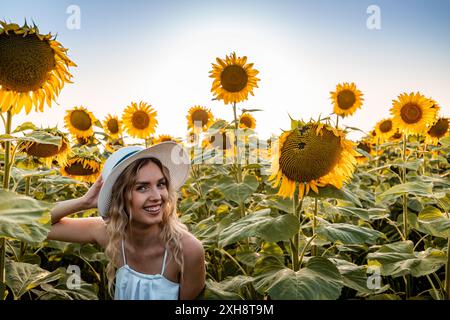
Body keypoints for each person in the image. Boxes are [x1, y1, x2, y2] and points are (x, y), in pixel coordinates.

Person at [47, 142, 205, 300]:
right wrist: (84, 202)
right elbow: (37, 226)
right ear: (119, 195)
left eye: (161, 184)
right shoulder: (111, 233)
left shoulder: (187, 251)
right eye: (142, 188)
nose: (157, 197)